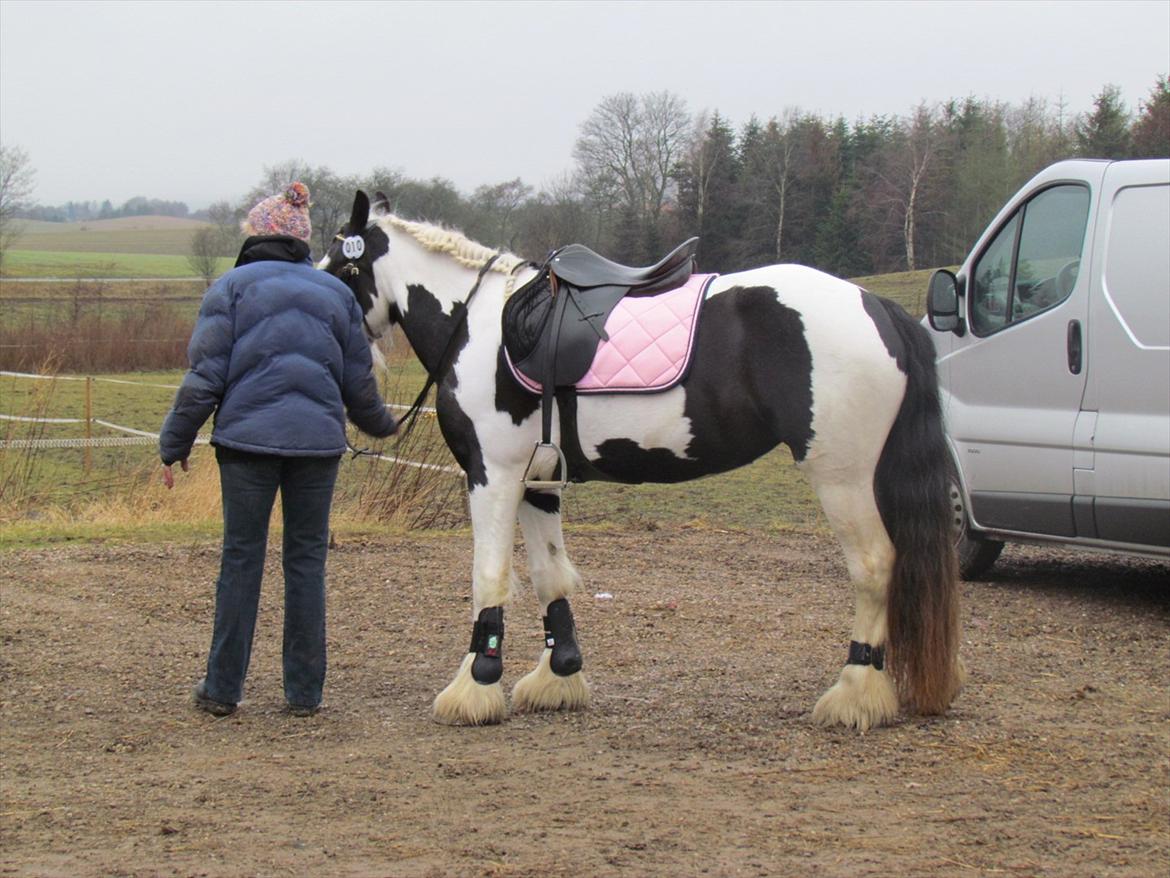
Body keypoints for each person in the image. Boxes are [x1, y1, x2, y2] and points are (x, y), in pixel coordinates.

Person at [159, 182, 397, 718]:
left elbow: (205, 377)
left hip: (246, 445)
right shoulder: (335, 294)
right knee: (307, 561)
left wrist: (175, 441)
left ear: (258, 236)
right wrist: (384, 426)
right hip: (318, 447)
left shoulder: (231, 288)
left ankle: (222, 689)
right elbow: (358, 384)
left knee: (241, 559)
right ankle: (304, 693)